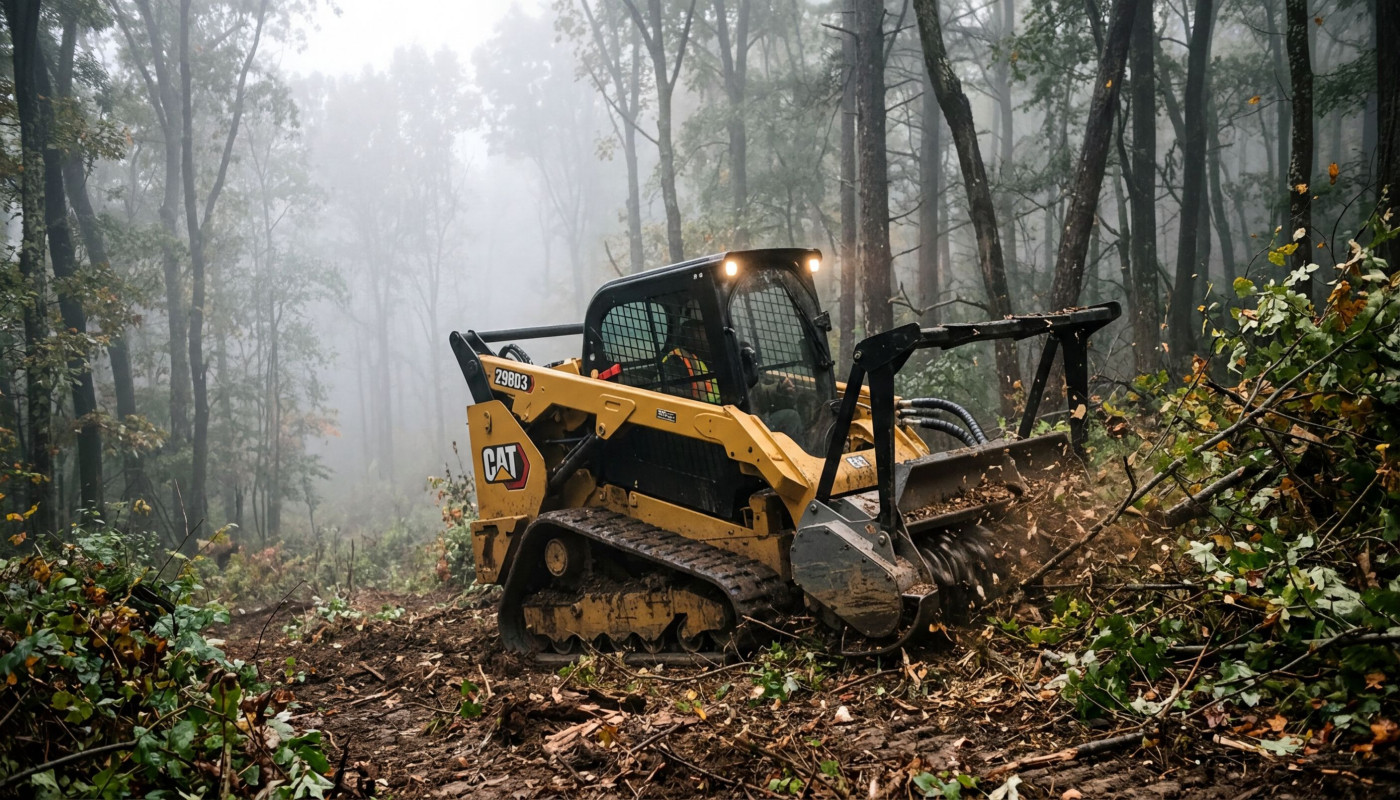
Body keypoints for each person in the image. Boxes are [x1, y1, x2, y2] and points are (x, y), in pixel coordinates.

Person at [661, 316, 721, 403]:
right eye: (704, 330)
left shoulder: (714, 356)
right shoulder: (677, 360)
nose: (711, 334)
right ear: (691, 334)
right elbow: (675, 399)